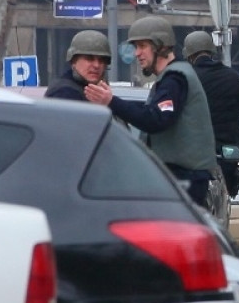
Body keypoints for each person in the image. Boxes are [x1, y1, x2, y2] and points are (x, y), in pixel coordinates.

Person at [84, 16, 217, 207]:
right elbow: (150, 111)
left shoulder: (174, 79)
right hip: (184, 176)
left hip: (185, 177)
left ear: (160, 46)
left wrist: (111, 101)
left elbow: (156, 119)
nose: (137, 53)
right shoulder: (173, 76)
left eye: (142, 46)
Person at [183, 30, 239, 196]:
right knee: (223, 199)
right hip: (227, 154)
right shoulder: (235, 78)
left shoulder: (185, 80)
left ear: (188, 55)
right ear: (212, 51)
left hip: (194, 156)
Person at [46, 30, 111, 101]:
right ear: (74, 61)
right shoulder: (64, 93)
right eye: (89, 59)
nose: (96, 65)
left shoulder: (93, 92)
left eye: (102, 60)